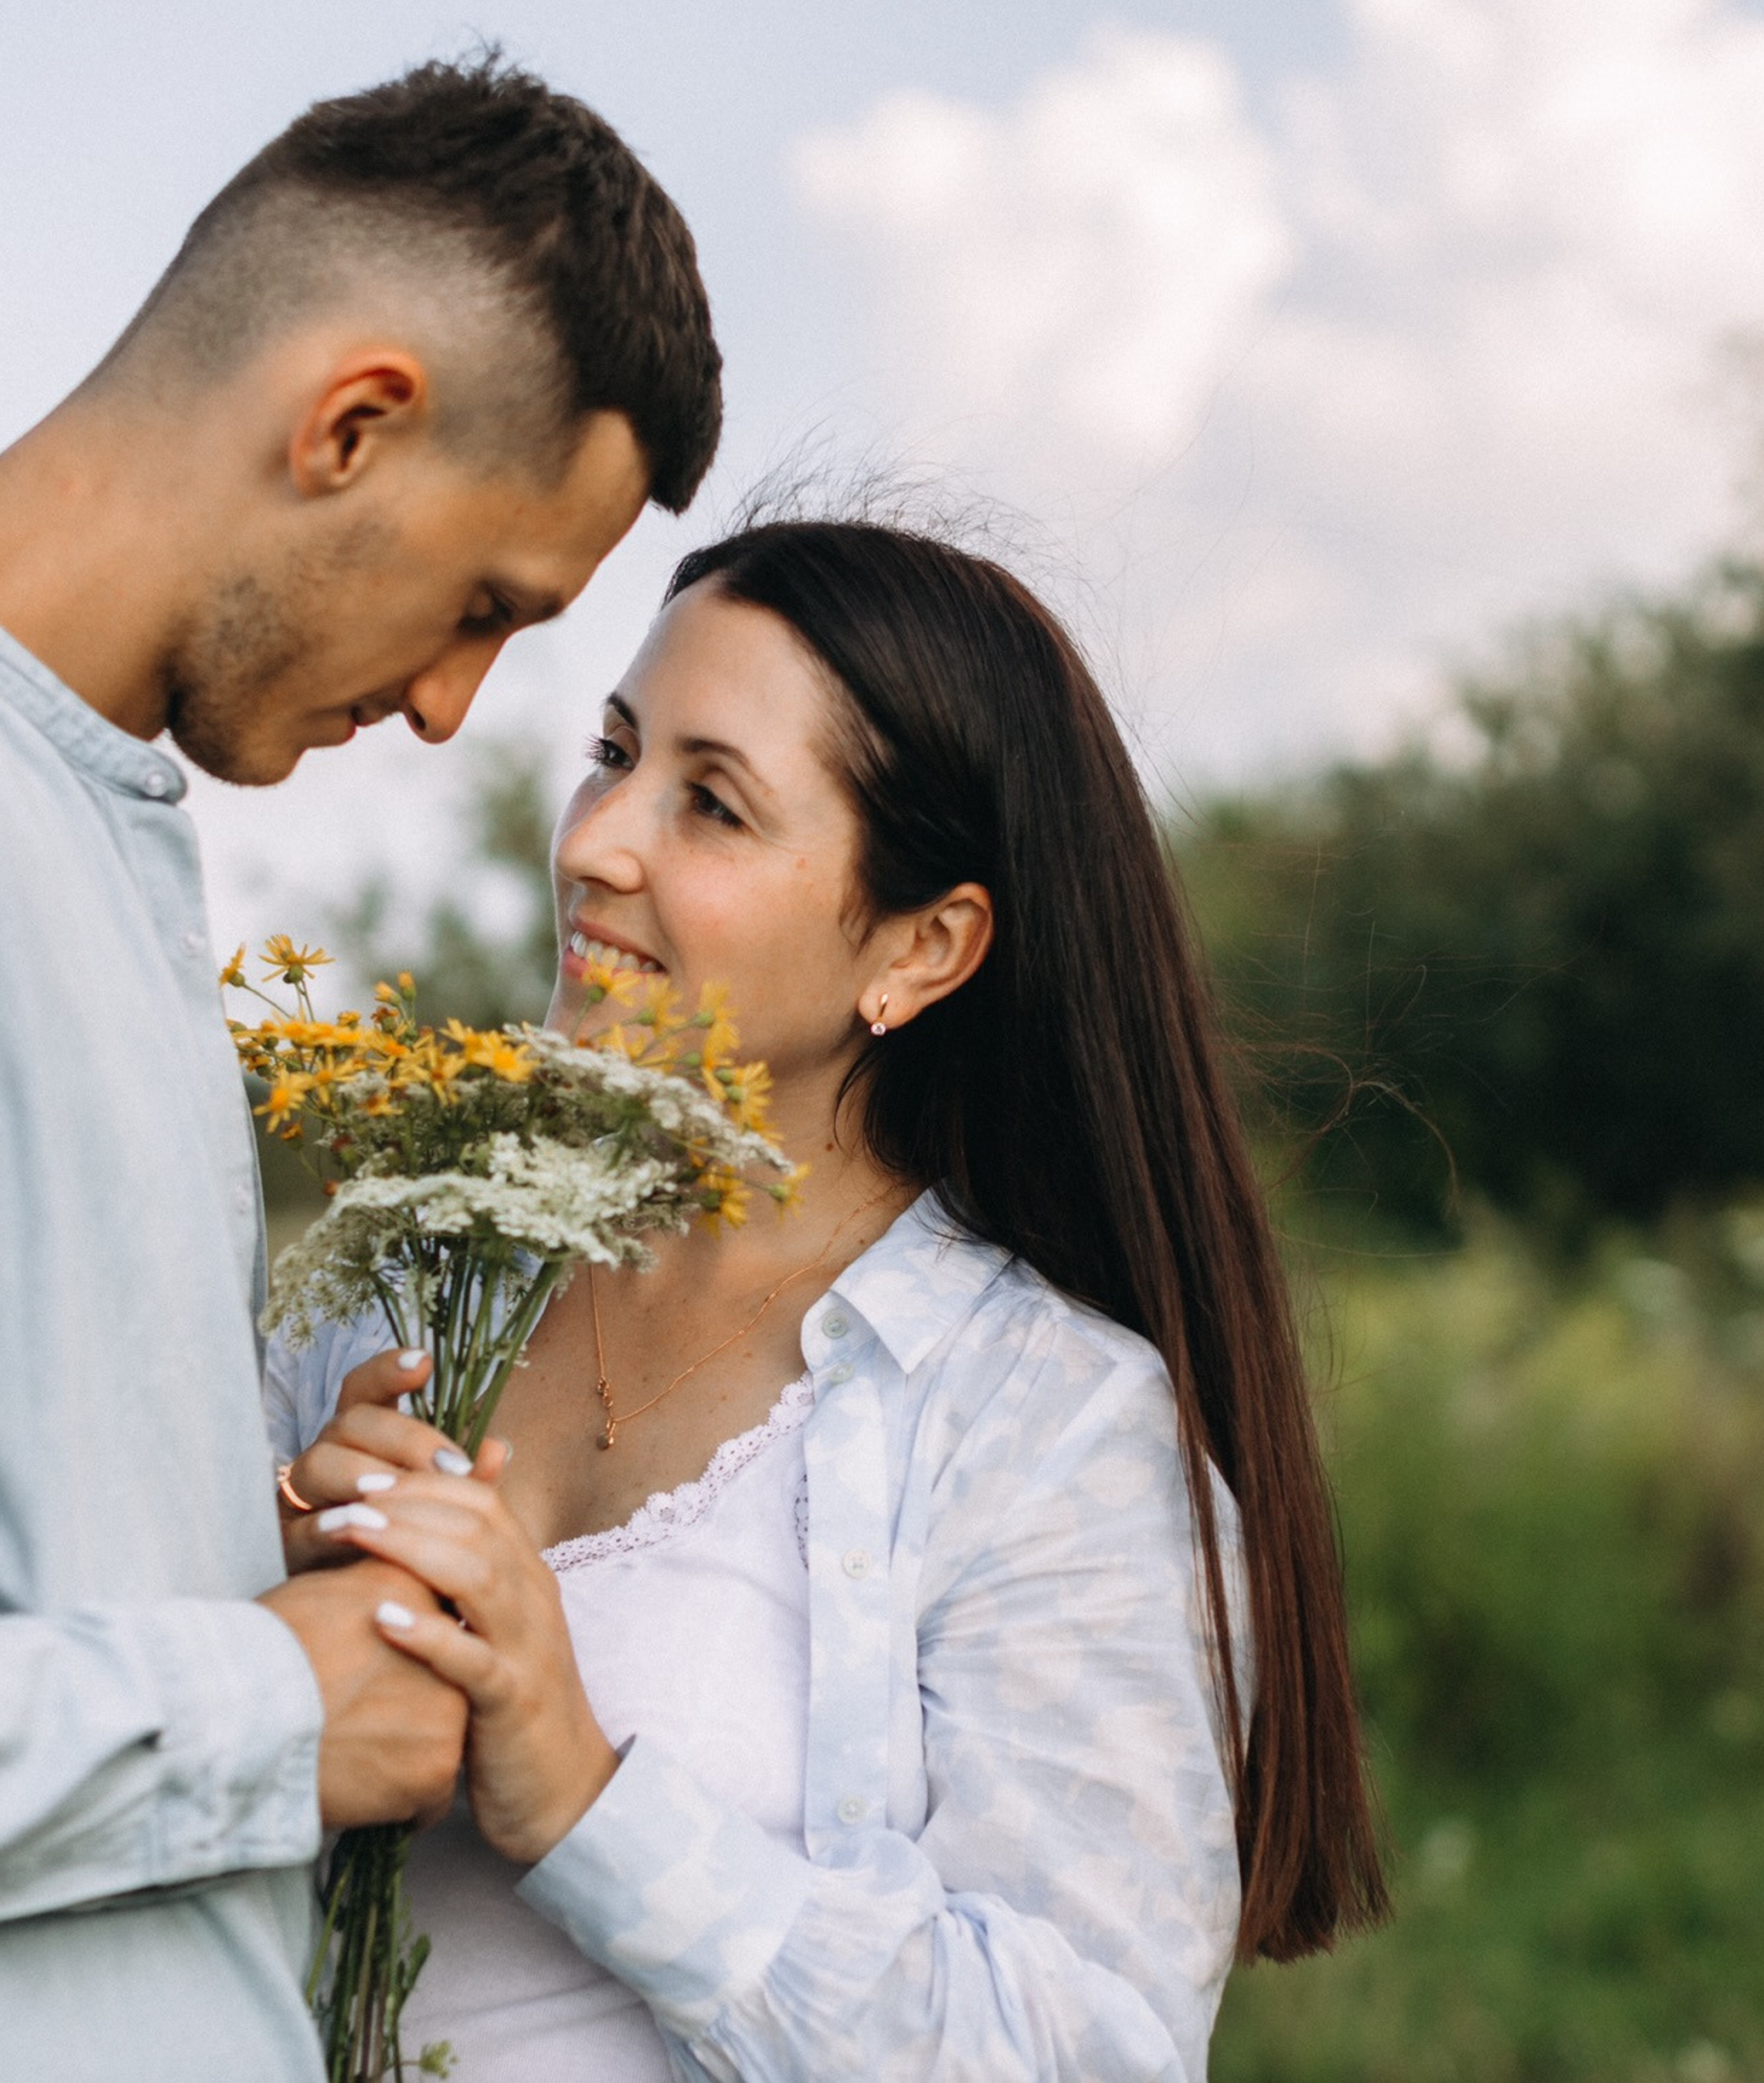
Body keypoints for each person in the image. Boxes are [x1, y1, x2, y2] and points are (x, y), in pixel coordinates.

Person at [0, 56, 720, 2082]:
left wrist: (253, 1553)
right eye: (482, 607)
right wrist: (266, 1701)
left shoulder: (57, 811)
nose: (451, 708)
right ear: (352, 424)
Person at [270, 517, 1390, 2081]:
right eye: (614, 752)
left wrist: (584, 1799)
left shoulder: (1050, 1428)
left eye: (711, 804)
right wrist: (263, 1609)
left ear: (923, 948)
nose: (597, 840)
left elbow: (1082, 2057)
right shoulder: (400, 1288)